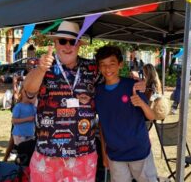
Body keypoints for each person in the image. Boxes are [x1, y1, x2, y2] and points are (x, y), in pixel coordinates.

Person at [23, 21, 145, 182]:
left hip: (83, 154)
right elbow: (29, 90)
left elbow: (113, 81)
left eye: (72, 41)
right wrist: (40, 69)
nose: (68, 46)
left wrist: (136, 84)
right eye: (62, 41)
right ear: (55, 42)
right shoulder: (45, 65)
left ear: (79, 44)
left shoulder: (91, 68)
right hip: (48, 153)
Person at [95, 46, 158, 182]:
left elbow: (151, 116)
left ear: (120, 64)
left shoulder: (133, 86)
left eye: (112, 64)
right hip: (115, 155)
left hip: (139, 151)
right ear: (99, 67)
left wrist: (141, 103)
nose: (107, 69)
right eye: (103, 65)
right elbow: (102, 124)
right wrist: (104, 153)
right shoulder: (98, 92)